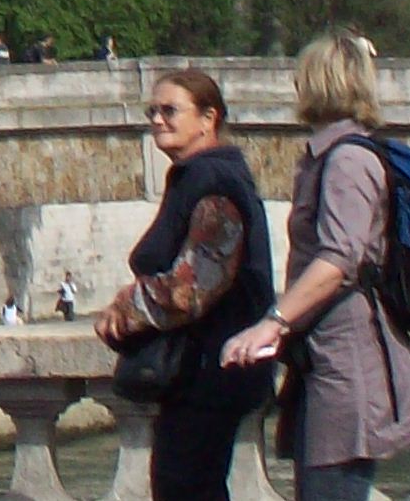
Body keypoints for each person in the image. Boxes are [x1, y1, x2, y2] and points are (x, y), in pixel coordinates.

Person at [222, 31, 410, 501]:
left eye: (302, 76)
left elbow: (339, 259)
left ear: (318, 82)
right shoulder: (329, 157)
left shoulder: (347, 161)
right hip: (324, 358)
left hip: (346, 364)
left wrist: (274, 321)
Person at [92, 68, 275, 501]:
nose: (157, 119)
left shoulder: (213, 182)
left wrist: (126, 309)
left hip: (207, 373)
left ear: (208, 118)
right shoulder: (203, 176)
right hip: (202, 373)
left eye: (170, 110)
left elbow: (193, 287)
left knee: (185, 486)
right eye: (152, 111)